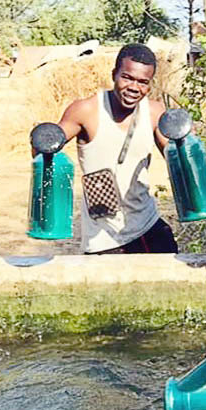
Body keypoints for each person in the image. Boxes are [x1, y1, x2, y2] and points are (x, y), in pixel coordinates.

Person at [57, 42, 178, 254]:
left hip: (146, 225)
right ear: (114, 74)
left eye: (142, 82)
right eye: (127, 77)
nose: (134, 87)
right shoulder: (85, 110)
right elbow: (45, 151)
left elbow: (177, 159)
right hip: (103, 237)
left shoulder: (154, 111)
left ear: (150, 85)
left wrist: (188, 144)